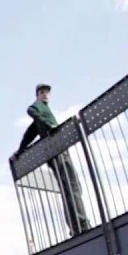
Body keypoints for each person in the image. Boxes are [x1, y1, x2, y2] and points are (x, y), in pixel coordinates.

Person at [13, 83, 91, 236]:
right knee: (72, 187)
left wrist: (20, 151)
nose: (45, 95)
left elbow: (30, 132)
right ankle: (81, 226)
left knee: (69, 188)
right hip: (58, 150)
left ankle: (75, 226)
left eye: (47, 93)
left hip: (56, 151)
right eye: (42, 92)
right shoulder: (38, 107)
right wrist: (51, 126)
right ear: (37, 95)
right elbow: (32, 112)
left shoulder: (44, 111)